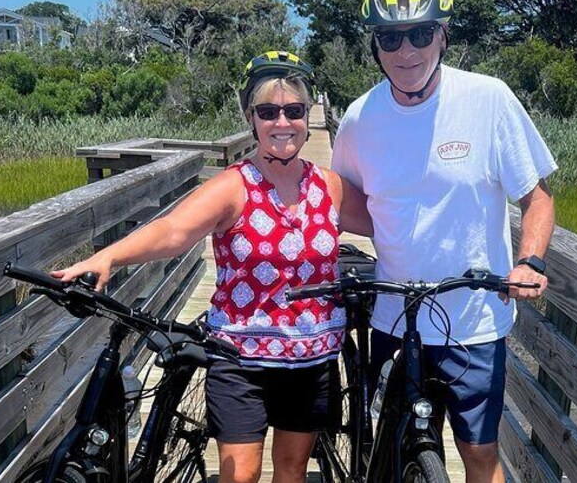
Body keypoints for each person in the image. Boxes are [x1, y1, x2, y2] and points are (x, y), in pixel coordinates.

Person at [55, 50, 373, 483]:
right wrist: (108, 256)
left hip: (310, 357)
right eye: (268, 111)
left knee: (292, 469)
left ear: (306, 116)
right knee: (240, 475)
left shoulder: (328, 186)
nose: (282, 122)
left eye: (294, 111)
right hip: (240, 357)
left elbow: (387, 221)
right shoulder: (233, 186)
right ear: (250, 118)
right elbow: (173, 231)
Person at [331, 0, 557, 483]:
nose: (406, 51)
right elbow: (343, 200)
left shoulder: (488, 99)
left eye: (420, 33)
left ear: (443, 34)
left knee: (479, 453)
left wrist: (530, 262)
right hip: (394, 316)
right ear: (375, 44)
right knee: (391, 448)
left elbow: (538, 196)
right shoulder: (360, 117)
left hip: (473, 319)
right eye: (390, 37)